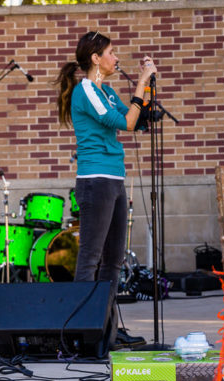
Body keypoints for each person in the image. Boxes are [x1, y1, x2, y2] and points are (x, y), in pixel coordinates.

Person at [56, 31, 155, 284]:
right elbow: (125, 123)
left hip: (114, 179)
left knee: (114, 260)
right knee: (91, 257)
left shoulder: (107, 91)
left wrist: (147, 86)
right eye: (111, 52)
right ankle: (84, 323)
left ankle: (106, 323)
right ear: (96, 58)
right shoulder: (86, 91)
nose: (116, 57)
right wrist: (141, 81)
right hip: (95, 180)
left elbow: (142, 120)